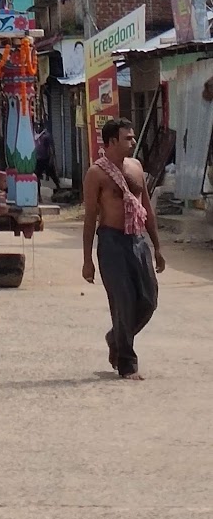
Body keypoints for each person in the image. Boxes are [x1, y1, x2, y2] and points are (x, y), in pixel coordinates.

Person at [82, 117, 165, 380]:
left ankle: (115, 338)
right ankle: (127, 364)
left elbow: (147, 208)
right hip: (111, 241)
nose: (132, 141)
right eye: (127, 138)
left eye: (132, 137)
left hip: (137, 240)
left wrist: (157, 246)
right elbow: (89, 217)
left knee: (148, 300)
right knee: (123, 301)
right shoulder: (96, 173)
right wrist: (87, 260)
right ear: (112, 142)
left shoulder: (136, 167)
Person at [35, 124, 59, 189]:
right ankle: (38, 194)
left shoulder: (46, 136)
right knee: (37, 177)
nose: (38, 128)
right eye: (37, 127)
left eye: (39, 127)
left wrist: (51, 158)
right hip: (38, 160)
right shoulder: (35, 136)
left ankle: (58, 188)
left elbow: (51, 148)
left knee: (53, 175)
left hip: (46, 159)